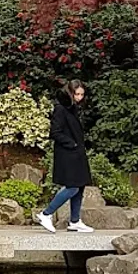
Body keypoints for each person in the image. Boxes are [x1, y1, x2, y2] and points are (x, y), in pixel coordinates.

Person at [36, 80, 95, 233]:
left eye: (82, 94)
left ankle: (75, 220)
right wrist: (72, 144)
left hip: (76, 153)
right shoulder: (61, 108)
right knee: (72, 187)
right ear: (70, 93)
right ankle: (46, 213)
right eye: (77, 94)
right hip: (67, 153)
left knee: (80, 185)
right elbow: (55, 132)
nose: (80, 97)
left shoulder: (73, 108)